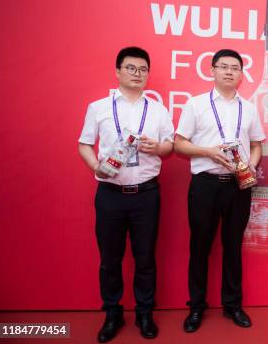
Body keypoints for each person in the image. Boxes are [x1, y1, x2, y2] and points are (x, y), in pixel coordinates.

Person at [78, 46, 174, 342]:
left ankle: (145, 313)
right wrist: (97, 166)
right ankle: (112, 313)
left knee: (145, 257)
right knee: (110, 258)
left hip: (146, 194)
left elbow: (170, 146)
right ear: (118, 71)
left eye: (143, 69)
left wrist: (156, 147)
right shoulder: (99, 108)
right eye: (131, 68)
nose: (137, 74)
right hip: (110, 193)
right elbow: (84, 143)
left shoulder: (157, 109)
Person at [175, 49, 265, 332]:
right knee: (199, 248)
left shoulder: (248, 107)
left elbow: (257, 144)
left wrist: (251, 164)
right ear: (212, 70)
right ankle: (196, 307)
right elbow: (179, 144)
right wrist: (208, 152)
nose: (229, 71)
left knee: (233, 247)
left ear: (241, 74)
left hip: (238, 186)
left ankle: (233, 305)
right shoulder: (196, 104)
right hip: (205, 185)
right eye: (223, 66)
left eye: (235, 67)